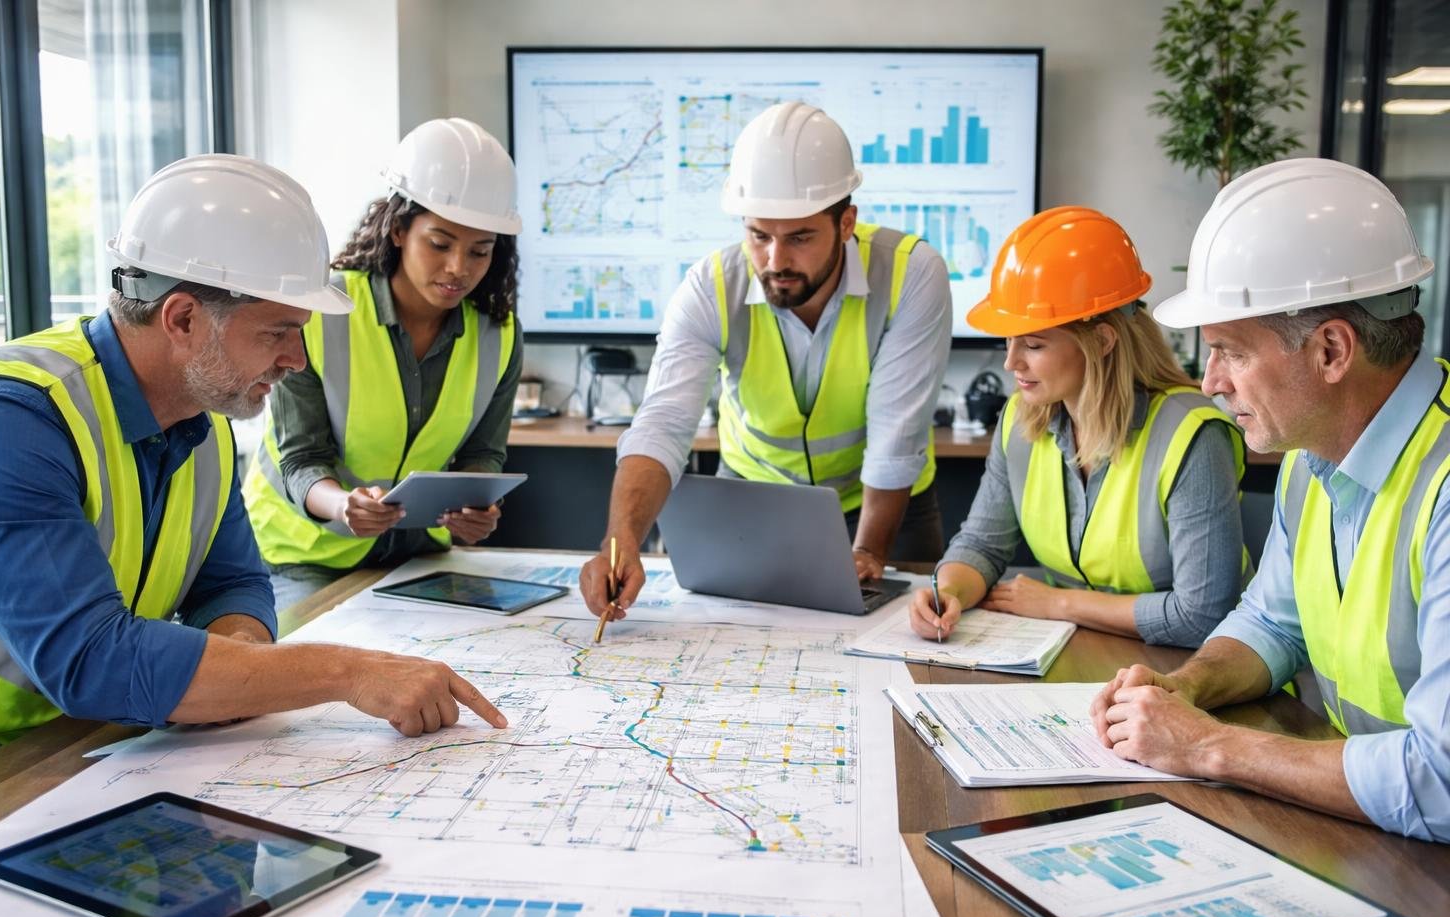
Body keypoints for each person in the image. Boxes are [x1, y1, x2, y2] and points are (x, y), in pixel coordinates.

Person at [0, 154, 505, 782]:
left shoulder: (203, 417)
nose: (297, 360)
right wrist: (346, 672)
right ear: (184, 319)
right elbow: (90, 661)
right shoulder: (2, 425)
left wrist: (243, 668)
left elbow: (229, 584)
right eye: (278, 332)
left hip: (89, 748)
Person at [1087, 158, 1447, 842]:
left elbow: (1441, 778)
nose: (1210, 380)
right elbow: (1276, 625)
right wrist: (1187, 688)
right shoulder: (1310, 459)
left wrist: (1205, 747)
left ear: (1332, 350)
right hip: (1374, 832)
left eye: (1231, 352)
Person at [578, 101, 952, 619]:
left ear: (846, 223)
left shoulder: (911, 273)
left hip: (885, 509)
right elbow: (662, 423)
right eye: (759, 236)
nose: (775, 262)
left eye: (799, 238)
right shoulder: (710, 286)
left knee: (903, 651)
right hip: (755, 506)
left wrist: (868, 552)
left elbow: (896, 436)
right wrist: (620, 541)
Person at [908, 207, 1248, 649]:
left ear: (1102, 342)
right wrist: (947, 593)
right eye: (1008, 342)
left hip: (1194, 674)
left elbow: (1202, 615)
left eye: (1033, 344)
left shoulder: (1192, 437)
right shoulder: (1019, 419)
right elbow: (982, 545)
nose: (1012, 363)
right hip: (1084, 654)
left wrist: (1062, 603)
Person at [243, 119, 524, 609]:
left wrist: (480, 507)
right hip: (302, 559)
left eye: (480, 251)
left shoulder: (498, 333)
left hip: (414, 557)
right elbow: (300, 460)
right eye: (440, 244)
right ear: (397, 229)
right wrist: (343, 507)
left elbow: (484, 454)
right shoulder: (321, 310)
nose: (459, 267)